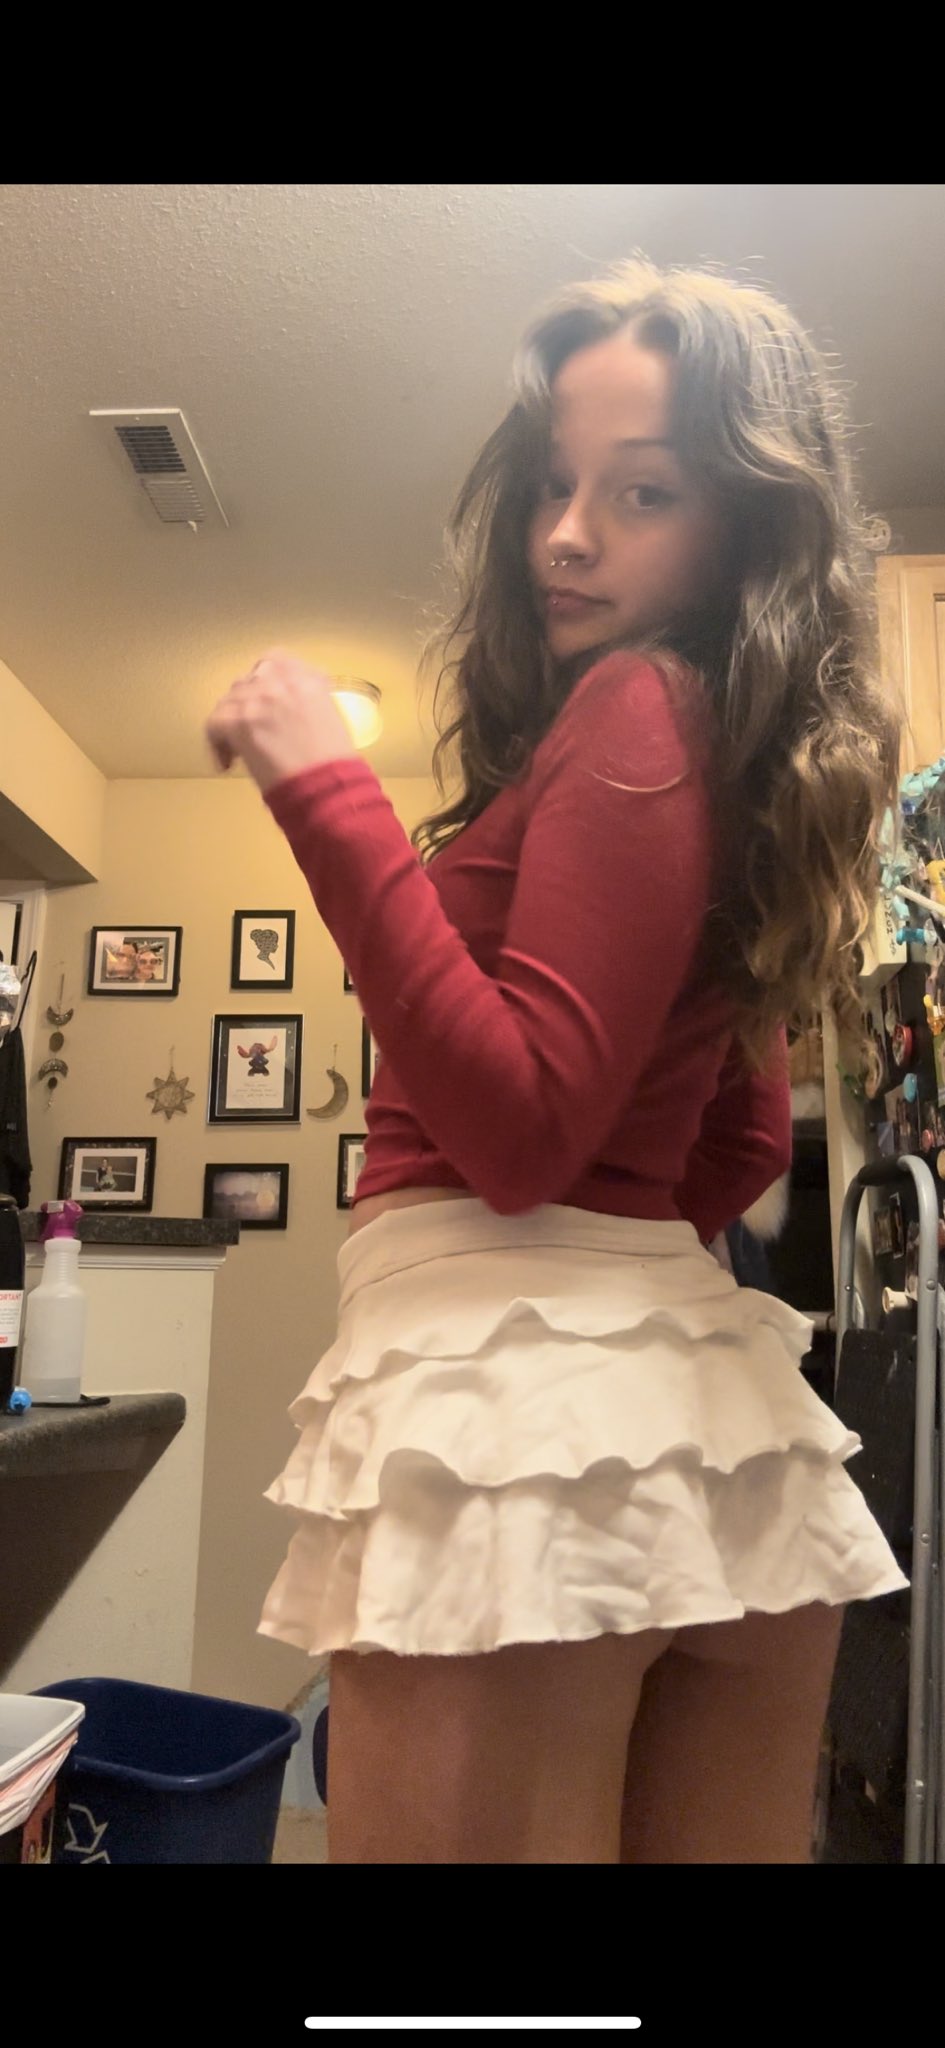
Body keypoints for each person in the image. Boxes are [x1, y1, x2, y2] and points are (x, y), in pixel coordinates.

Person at [207, 258, 907, 1865]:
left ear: (744, 527)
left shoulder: (635, 707)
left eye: (640, 491)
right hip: (714, 1438)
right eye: (551, 484)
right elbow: (736, 1153)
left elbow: (519, 1137)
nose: (565, 535)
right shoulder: (731, 756)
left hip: (512, 1434)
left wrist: (326, 795)